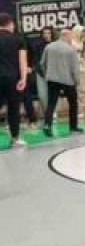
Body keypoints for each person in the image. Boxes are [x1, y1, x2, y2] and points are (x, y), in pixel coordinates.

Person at [41, 28, 81, 136]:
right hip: (67, 80)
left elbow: (42, 63)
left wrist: (47, 75)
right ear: (67, 36)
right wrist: (77, 80)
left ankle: (47, 125)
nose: (71, 38)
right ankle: (73, 127)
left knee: (51, 103)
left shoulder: (49, 47)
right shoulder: (71, 50)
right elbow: (74, 68)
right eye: (71, 36)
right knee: (73, 103)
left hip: (52, 79)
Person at [0, 13, 29, 147]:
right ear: (10, 24)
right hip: (13, 78)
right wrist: (23, 78)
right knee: (13, 109)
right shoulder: (18, 39)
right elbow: (23, 61)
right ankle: (15, 138)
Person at [24, 26, 51, 128]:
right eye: (44, 33)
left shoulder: (55, 45)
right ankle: (47, 113)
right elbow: (36, 61)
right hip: (41, 73)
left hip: (54, 73)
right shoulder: (37, 46)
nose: (46, 35)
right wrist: (35, 69)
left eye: (48, 33)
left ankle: (50, 114)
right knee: (42, 95)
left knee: (53, 94)